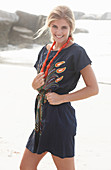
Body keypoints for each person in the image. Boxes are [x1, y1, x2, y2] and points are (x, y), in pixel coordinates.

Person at [20, 5, 99, 170]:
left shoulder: (77, 52)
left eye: (64, 27)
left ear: (71, 28)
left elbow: (93, 88)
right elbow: (44, 86)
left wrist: (63, 98)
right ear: (49, 25)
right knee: (26, 167)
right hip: (41, 120)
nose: (59, 31)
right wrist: (33, 85)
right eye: (55, 26)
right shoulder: (44, 50)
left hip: (61, 121)